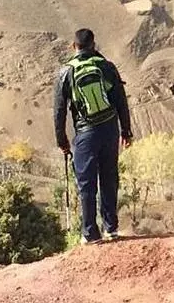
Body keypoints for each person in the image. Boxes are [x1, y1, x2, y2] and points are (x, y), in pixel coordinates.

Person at [54, 28, 133, 244]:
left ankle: (90, 233)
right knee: (109, 178)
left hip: (86, 132)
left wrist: (62, 141)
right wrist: (126, 130)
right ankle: (111, 228)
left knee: (87, 183)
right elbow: (120, 100)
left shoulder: (66, 72)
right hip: (109, 129)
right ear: (94, 45)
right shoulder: (106, 66)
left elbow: (59, 110)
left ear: (74, 46)